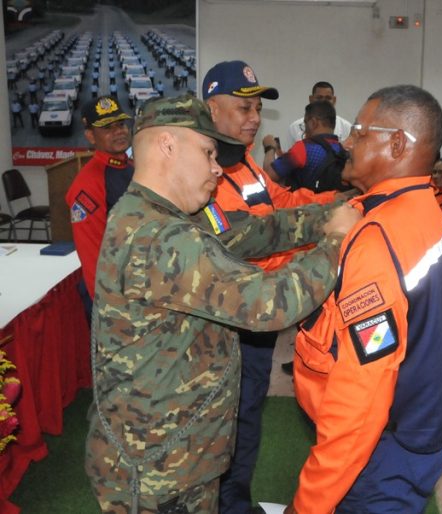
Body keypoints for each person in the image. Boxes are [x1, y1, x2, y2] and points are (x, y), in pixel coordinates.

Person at [85, 93, 360, 514]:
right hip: (159, 468)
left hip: (175, 452)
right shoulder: (162, 238)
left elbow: (256, 232)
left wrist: (328, 215)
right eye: (209, 152)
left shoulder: (163, 217)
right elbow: (270, 304)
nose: (217, 167)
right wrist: (336, 243)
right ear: (167, 146)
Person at [287, 84, 442, 514]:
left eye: (360, 132)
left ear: (397, 143)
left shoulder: (378, 237)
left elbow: (361, 396)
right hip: (420, 419)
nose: (346, 142)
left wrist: (308, 505)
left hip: (385, 446)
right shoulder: (421, 207)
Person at [201, 59, 340, 514]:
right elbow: (250, 242)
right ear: (211, 108)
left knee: (248, 417)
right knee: (226, 423)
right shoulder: (205, 177)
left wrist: (338, 200)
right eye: (243, 108)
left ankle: (236, 501)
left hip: (259, 320)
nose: (254, 118)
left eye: (257, 107)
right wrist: (328, 228)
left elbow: (286, 204)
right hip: (230, 322)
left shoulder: (244, 168)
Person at [65, 96, 134, 305]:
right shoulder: (88, 184)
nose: (119, 131)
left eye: (121, 124)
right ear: (90, 136)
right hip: (112, 298)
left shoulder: (130, 167)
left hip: (136, 287)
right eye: (108, 128)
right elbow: (91, 252)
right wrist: (109, 307)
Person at [262, 100, 348, 192]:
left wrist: (269, 147)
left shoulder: (304, 148)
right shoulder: (341, 150)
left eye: (305, 123)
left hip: (304, 205)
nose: (304, 130)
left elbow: (269, 175)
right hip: (334, 204)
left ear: (313, 123)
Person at [286, 81, 352, 146]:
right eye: (319, 98)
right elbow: (289, 154)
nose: (323, 102)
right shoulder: (294, 127)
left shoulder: (347, 128)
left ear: (334, 100)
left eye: (328, 98)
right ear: (311, 99)